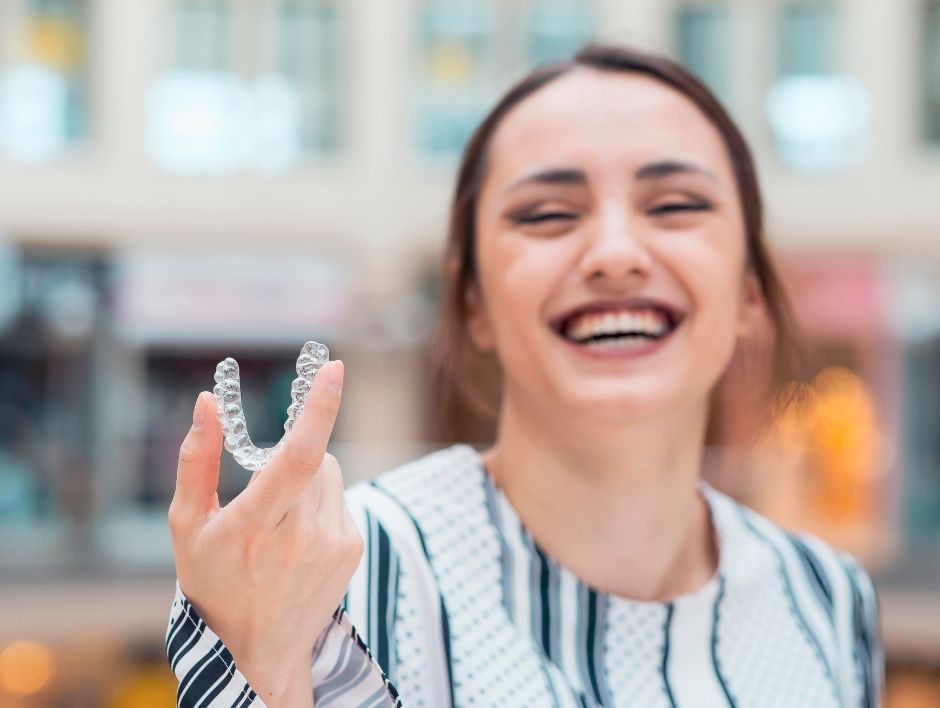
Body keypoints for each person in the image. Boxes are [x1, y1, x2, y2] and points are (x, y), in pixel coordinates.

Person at [165, 44, 884, 707]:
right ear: (472, 300)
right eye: (546, 213)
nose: (614, 253)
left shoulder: (828, 599)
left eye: (675, 205)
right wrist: (263, 660)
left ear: (750, 291)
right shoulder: (331, 579)